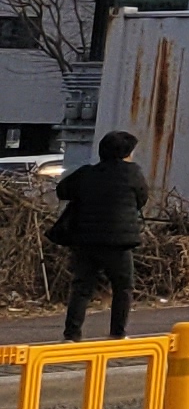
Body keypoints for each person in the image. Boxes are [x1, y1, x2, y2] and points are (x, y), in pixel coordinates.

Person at [53, 130, 150, 342]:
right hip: (119, 242)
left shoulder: (87, 173)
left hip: (86, 240)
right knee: (122, 287)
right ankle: (117, 333)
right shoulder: (132, 173)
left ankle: (71, 334)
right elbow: (142, 198)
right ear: (125, 153)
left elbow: (62, 191)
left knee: (82, 288)